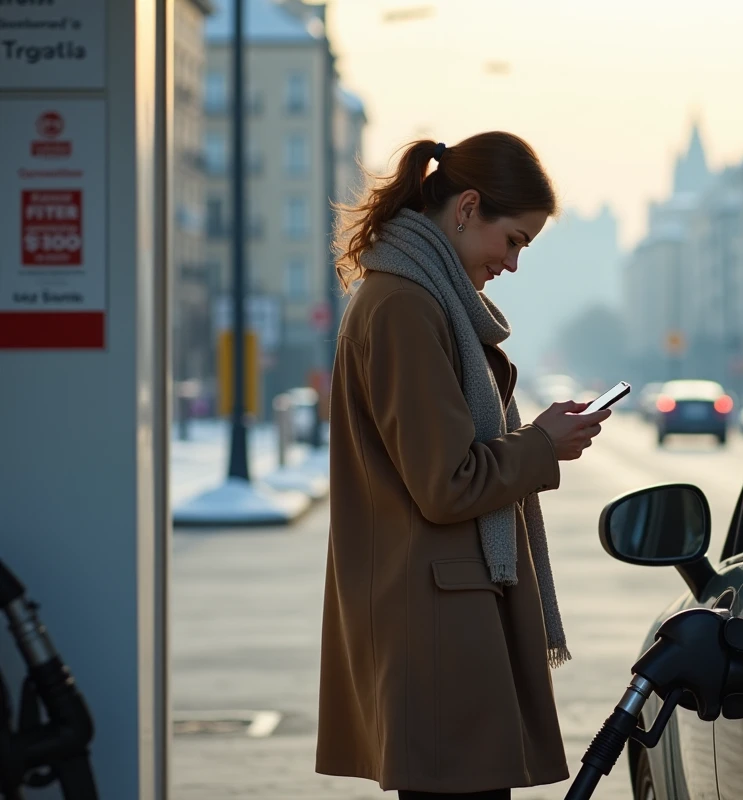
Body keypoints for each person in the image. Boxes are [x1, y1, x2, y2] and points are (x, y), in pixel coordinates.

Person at [315, 132, 611, 799]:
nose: (512, 263)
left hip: (437, 618)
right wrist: (542, 444)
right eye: (513, 240)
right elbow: (447, 483)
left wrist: (537, 439)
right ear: (468, 207)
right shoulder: (405, 307)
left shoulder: (420, 300)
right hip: (434, 628)